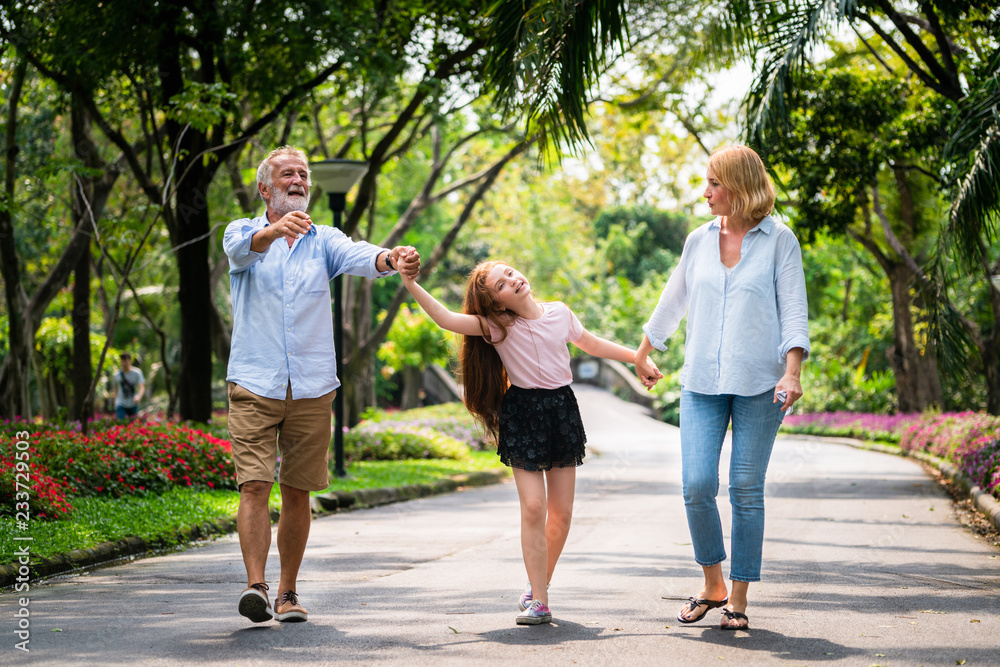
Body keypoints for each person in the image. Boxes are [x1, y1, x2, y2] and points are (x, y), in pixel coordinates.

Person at [223, 145, 420, 624]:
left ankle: (288, 593)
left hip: (312, 386)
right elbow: (240, 252)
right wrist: (273, 231)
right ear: (265, 188)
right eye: (288, 174)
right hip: (254, 381)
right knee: (254, 485)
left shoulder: (323, 238)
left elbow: (360, 256)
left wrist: (391, 258)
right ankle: (256, 586)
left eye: (303, 175)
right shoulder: (242, 231)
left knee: (297, 490)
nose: (299, 181)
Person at [401, 260, 658, 625]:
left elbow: (593, 344)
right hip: (522, 413)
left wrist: (638, 359)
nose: (511, 280)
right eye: (500, 285)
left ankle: (538, 584)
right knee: (534, 507)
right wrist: (409, 282)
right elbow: (445, 318)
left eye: (510, 273)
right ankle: (541, 600)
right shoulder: (497, 327)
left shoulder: (560, 313)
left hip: (561, 411)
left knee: (562, 514)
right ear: (498, 303)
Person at [634, 144, 810, 630]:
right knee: (696, 485)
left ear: (740, 186)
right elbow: (675, 298)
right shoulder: (698, 240)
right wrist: (644, 350)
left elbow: (794, 308)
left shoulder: (780, 240)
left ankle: (738, 598)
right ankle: (711, 581)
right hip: (702, 383)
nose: (706, 192)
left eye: (714, 182)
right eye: (706, 182)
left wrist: (792, 370)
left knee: (746, 490)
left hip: (760, 385)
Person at [112, 352, 145, 421]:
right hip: (120, 403)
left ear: (130, 361)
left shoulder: (137, 373)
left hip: (133, 403)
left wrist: (138, 396)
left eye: (126, 361)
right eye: (123, 361)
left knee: (133, 425)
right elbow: (115, 390)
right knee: (120, 423)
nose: (124, 363)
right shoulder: (116, 375)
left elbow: (141, 387)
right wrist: (115, 403)